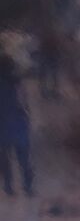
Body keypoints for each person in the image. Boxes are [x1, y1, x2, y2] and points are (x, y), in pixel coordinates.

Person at [0, 55, 34, 196]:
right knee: (24, 157)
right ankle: (28, 186)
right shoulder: (16, 81)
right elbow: (23, 102)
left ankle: (8, 186)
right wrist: (26, 116)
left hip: (2, 124)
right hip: (18, 123)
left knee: (5, 157)